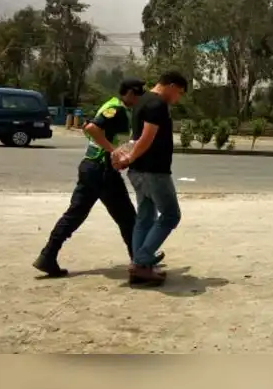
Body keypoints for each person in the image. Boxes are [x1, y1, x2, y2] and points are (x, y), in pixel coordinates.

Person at [32, 78, 147, 278]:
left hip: (90, 168)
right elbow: (91, 128)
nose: (139, 99)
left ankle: (47, 256)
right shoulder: (116, 109)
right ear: (128, 93)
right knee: (128, 218)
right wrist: (113, 151)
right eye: (138, 95)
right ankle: (139, 264)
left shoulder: (113, 106)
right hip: (102, 170)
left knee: (75, 215)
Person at [112, 70, 188, 285]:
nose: (178, 98)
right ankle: (142, 259)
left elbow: (135, 137)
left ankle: (141, 270)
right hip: (154, 171)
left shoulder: (141, 101)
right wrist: (129, 158)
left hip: (138, 171)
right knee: (171, 215)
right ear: (171, 85)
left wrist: (129, 158)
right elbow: (146, 137)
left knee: (145, 217)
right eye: (179, 92)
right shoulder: (157, 105)